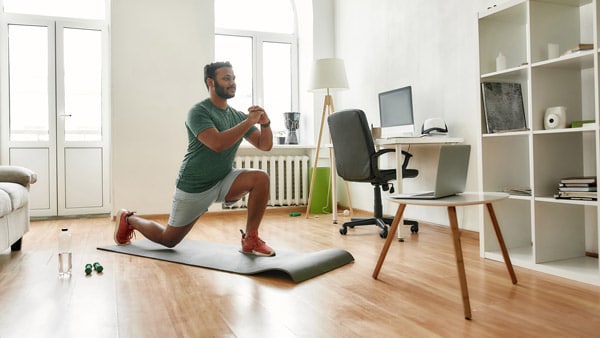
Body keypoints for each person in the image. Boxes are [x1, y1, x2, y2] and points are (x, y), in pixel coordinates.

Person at [114, 61, 275, 256]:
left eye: (233, 78)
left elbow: (264, 145)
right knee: (169, 240)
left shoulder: (237, 116)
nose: (232, 83)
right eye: (226, 78)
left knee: (260, 178)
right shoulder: (198, 112)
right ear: (211, 82)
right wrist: (249, 121)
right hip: (194, 185)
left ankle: (251, 239)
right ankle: (129, 219)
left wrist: (265, 124)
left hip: (224, 179)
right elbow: (217, 144)